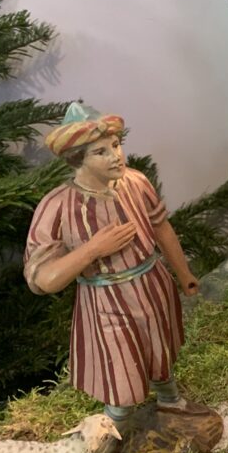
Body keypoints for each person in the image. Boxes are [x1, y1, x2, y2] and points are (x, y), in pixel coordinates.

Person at [24, 103, 200, 430]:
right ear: (77, 159)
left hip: (152, 284)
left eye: (116, 146)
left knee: (160, 349)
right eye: (100, 152)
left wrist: (184, 273)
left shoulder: (136, 182)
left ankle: (170, 400)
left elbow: (161, 228)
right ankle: (111, 434)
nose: (116, 156)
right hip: (106, 302)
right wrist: (93, 249)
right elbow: (44, 279)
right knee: (120, 370)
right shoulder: (57, 206)